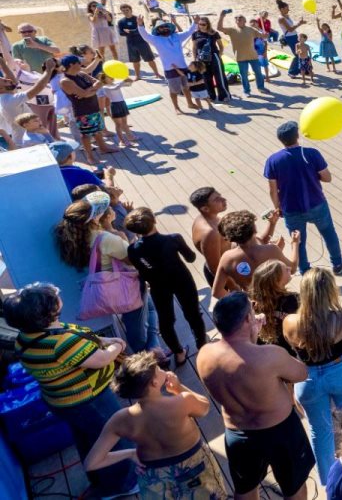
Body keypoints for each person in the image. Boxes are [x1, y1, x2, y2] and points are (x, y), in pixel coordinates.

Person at [4, 282, 137, 497]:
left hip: (60, 401)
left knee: (89, 439)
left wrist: (102, 340)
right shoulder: (61, 343)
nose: (57, 296)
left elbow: (78, 339)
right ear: (47, 314)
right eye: (53, 298)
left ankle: (99, 478)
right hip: (89, 400)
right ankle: (121, 484)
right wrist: (118, 346)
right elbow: (101, 359)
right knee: (114, 436)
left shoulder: (25, 339)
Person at [199, 292, 315, 500]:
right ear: (247, 320)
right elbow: (301, 373)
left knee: (245, 489)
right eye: (252, 313)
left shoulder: (204, 356)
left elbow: (239, 366)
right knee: (294, 487)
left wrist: (251, 336)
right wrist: (256, 340)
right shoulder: (270, 355)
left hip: (238, 434)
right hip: (280, 433)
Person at [84, 352, 227, 498]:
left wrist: (131, 453)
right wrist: (178, 388)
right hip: (195, 469)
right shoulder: (182, 401)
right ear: (154, 383)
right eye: (158, 369)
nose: (162, 369)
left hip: (154, 478)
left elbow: (91, 463)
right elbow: (204, 407)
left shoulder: (120, 419)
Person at [55, 191, 162, 355]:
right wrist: (119, 235)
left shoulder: (68, 236)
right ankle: (149, 355)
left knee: (151, 309)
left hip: (104, 289)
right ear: (94, 218)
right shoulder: (105, 238)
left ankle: (155, 347)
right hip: (126, 287)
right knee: (138, 328)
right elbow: (132, 260)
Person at [283, 268, 342, 485]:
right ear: (330, 290)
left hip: (307, 380)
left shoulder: (290, 322)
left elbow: (294, 351)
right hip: (341, 373)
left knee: (320, 432)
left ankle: (330, 483)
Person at [125, 207, 209, 369]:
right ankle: (202, 346)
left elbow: (141, 270)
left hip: (158, 285)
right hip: (182, 280)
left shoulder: (133, 249)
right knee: (193, 314)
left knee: (166, 321)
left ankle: (178, 353)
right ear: (154, 221)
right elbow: (191, 258)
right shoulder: (173, 239)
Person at [264, 120, 342, 275]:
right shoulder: (312, 153)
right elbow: (327, 178)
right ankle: (337, 264)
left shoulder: (272, 161)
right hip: (317, 203)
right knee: (329, 233)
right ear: (297, 136)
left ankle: (305, 270)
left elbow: (272, 190)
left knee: (298, 241)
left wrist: (278, 207)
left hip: (290, 209)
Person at [211, 209, 298, 297]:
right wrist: (295, 244)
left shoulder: (227, 258)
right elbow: (293, 268)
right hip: (277, 297)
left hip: (253, 303)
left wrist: (272, 224)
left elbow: (216, 292)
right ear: (254, 229)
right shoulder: (271, 250)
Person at [59, 53, 116, 163]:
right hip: (82, 111)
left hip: (93, 106)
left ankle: (103, 148)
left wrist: (90, 90)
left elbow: (94, 84)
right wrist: (92, 89)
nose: (81, 64)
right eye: (78, 62)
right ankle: (89, 157)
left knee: (98, 130)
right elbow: (86, 93)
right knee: (86, 135)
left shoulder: (80, 73)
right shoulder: (65, 81)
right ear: (71, 64)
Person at [138, 15, 199, 113]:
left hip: (183, 66)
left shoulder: (177, 36)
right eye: (161, 27)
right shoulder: (155, 39)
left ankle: (190, 103)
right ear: (157, 30)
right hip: (170, 69)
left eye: (165, 26)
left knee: (186, 87)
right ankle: (176, 107)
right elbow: (145, 35)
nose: (164, 28)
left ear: (169, 27)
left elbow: (189, 31)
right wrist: (140, 25)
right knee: (174, 90)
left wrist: (195, 23)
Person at [0, 53, 54, 144]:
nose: (9, 80)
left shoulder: (7, 96)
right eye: (5, 81)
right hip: (26, 144)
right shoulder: (11, 100)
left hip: (29, 138)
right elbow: (38, 87)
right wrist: (48, 70)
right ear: (1, 89)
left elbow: (13, 81)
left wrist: (2, 62)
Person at [251, 260, 299, 355]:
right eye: (286, 269)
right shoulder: (294, 300)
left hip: (265, 352)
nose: (289, 268)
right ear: (276, 281)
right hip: (290, 352)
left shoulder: (252, 303)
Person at [218, 10, 269, 96]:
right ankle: (246, 91)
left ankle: (261, 87)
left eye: (240, 19)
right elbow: (219, 28)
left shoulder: (251, 30)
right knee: (244, 75)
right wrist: (221, 17)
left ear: (245, 21)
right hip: (240, 57)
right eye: (237, 19)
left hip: (253, 56)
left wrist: (265, 35)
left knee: (258, 73)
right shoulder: (232, 30)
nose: (238, 20)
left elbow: (262, 36)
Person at [190, 186, 228, 285]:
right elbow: (215, 267)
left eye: (220, 196)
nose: (223, 200)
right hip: (225, 277)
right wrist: (234, 287)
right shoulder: (210, 233)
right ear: (205, 208)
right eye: (217, 200)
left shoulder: (207, 217)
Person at [190, 15, 230, 104]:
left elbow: (221, 46)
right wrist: (195, 58)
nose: (201, 26)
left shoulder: (214, 33)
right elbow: (194, 47)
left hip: (214, 57)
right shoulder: (195, 34)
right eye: (200, 24)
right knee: (206, 78)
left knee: (220, 77)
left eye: (203, 24)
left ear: (208, 24)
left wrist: (219, 55)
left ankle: (224, 96)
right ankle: (211, 96)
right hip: (201, 60)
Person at [116, 3, 160, 79]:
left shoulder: (137, 19)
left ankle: (157, 74)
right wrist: (126, 32)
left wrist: (129, 31)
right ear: (121, 12)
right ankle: (137, 76)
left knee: (149, 59)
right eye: (123, 11)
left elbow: (141, 29)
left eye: (127, 10)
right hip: (131, 43)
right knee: (135, 61)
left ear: (131, 10)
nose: (126, 12)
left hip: (141, 42)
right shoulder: (121, 22)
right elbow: (121, 33)